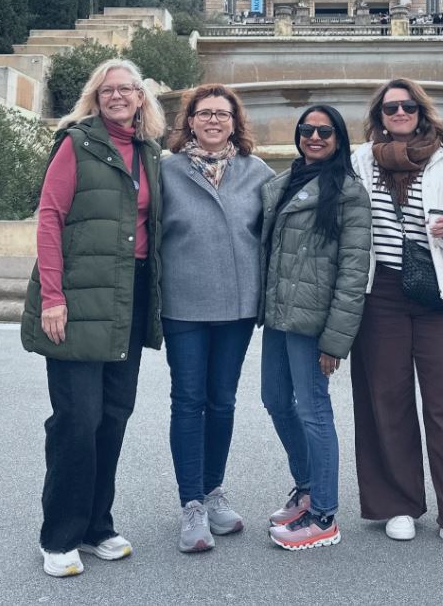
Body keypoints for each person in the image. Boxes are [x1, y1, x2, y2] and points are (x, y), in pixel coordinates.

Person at [21, 59, 166, 578]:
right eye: (109, 90)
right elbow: (50, 217)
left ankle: (96, 526)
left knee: (111, 419)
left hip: (128, 302)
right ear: (95, 96)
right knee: (76, 421)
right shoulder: (75, 142)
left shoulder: (150, 152)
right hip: (78, 300)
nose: (119, 96)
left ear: (142, 99)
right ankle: (59, 534)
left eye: (128, 89)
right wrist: (54, 297)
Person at [350, 78, 443, 556]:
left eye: (408, 105)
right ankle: (398, 504)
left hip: (436, 293)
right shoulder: (361, 160)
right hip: (382, 293)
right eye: (391, 107)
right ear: (380, 115)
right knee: (386, 399)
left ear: (421, 112)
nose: (400, 112)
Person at [160, 84, 274, 553]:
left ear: (234, 122)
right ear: (189, 121)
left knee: (222, 399)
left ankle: (213, 490)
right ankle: (191, 504)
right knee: (189, 399)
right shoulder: (166, 170)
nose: (212, 121)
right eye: (203, 113)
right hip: (183, 303)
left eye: (221, 115)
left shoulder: (258, 172)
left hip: (237, 306)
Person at [260, 105, 371, 551]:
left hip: (313, 321)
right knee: (274, 399)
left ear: (339, 139)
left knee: (314, 410)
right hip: (278, 316)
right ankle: (306, 487)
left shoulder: (348, 191)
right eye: (307, 129)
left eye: (326, 131)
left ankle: (324, 515)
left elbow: (353, 270)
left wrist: (335, 340)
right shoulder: (284, 182)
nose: (315, 137)